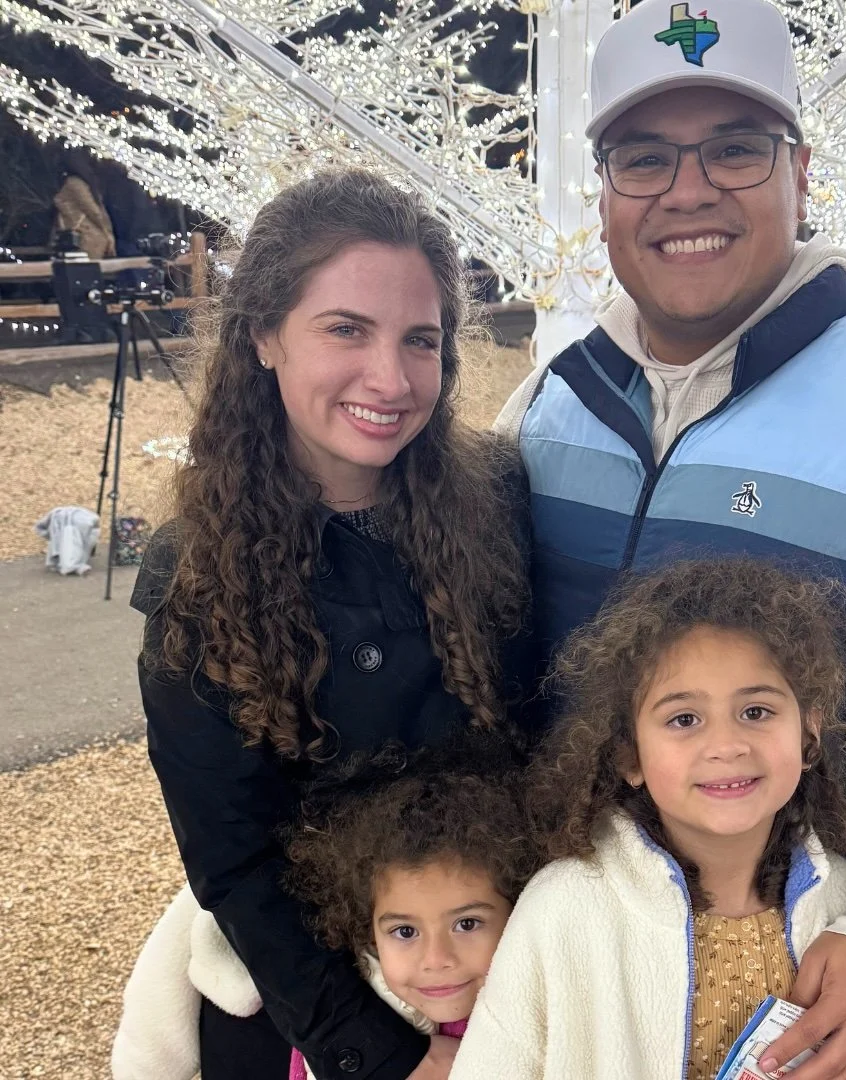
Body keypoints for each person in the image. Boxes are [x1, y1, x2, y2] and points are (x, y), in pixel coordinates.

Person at [495, 0, 846, 1075]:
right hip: (574, 987)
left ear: (802, 171)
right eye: (644, 158)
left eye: (735, 149)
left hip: (803, 992)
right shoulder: (544, 410)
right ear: (604, 194)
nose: (688, 191)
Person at [128, 167, 534, 1080]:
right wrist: (382, 1057)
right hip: (321, 975)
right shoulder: (196, 575)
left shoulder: (499, 501)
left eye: (419, 340)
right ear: (265, 334)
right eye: (346, 329)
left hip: (504, 941)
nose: (389, 378)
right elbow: (233, 858)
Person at [451, 560, 846, 1080]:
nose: (725, 745)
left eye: (756, 711)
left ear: (809, 733)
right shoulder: (562, 911)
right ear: (629, 755)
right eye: (684, 719)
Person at [111, 744, 537, 1080]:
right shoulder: (354, 1013)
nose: (436, 958)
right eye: (405, 932)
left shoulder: (540, 1012)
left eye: (467, 923)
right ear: (365, 931)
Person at [52, 148, 116, 260]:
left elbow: (92, 210)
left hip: (83, 238)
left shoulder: (74, 183)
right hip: (90, 238)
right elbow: (95, 211)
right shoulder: (85, 184)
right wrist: (108, 233)